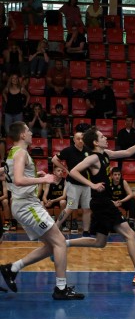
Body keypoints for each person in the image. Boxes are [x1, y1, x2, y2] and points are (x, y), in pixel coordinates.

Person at [65, 125, 135, 287]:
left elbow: (128, 152)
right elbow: (73, 171)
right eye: (102, 136)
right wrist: (92, 185)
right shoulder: (93, 158)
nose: (105, 138)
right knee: (130, 234)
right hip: (102, 203)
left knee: (100, 242)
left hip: (102, 202)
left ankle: (64, 243)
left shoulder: (106, 154)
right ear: (95, 142)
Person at [0, 121, 84, 299]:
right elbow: (19, 180)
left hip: (24, 204)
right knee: (60, 242)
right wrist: (44, 180)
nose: (31, 133)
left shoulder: (13, 152)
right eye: (28, 131)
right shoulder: (21, 152)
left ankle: (12, 268)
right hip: (27, 205)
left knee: (52, 245)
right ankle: (61, 289)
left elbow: (13, 174)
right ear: (22, 135)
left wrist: (34, 176)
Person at [51, 123, 92, 236]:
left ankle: (86, 231)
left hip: (86, 184)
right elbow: (54, 159)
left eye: (82, 139)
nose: (80, 140)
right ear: (74, 140)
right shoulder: (68, 150)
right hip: (73, 184)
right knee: (69, 208)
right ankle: (55, 227)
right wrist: (65, 169)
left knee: (87, 208)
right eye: (77, 139)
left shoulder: (88, 150)